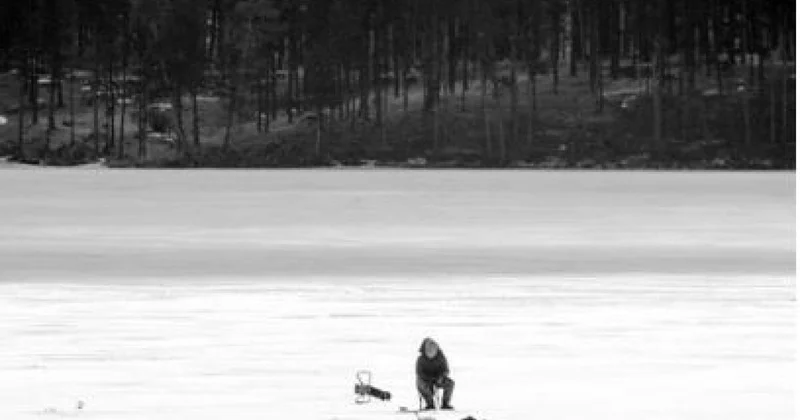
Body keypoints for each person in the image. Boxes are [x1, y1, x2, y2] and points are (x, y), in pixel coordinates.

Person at [416, 337, 455, 410]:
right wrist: (429, 380)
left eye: (433, 350)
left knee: (450, 383)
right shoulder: (420, 359)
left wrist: (441, 377)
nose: (431, 352)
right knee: (420, 383)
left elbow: (446, 370)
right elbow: (419, 373)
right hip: (425, 380)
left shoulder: (441, 357)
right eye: (429, 351)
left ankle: (445, 404)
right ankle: (430, 404)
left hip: (438, 379)